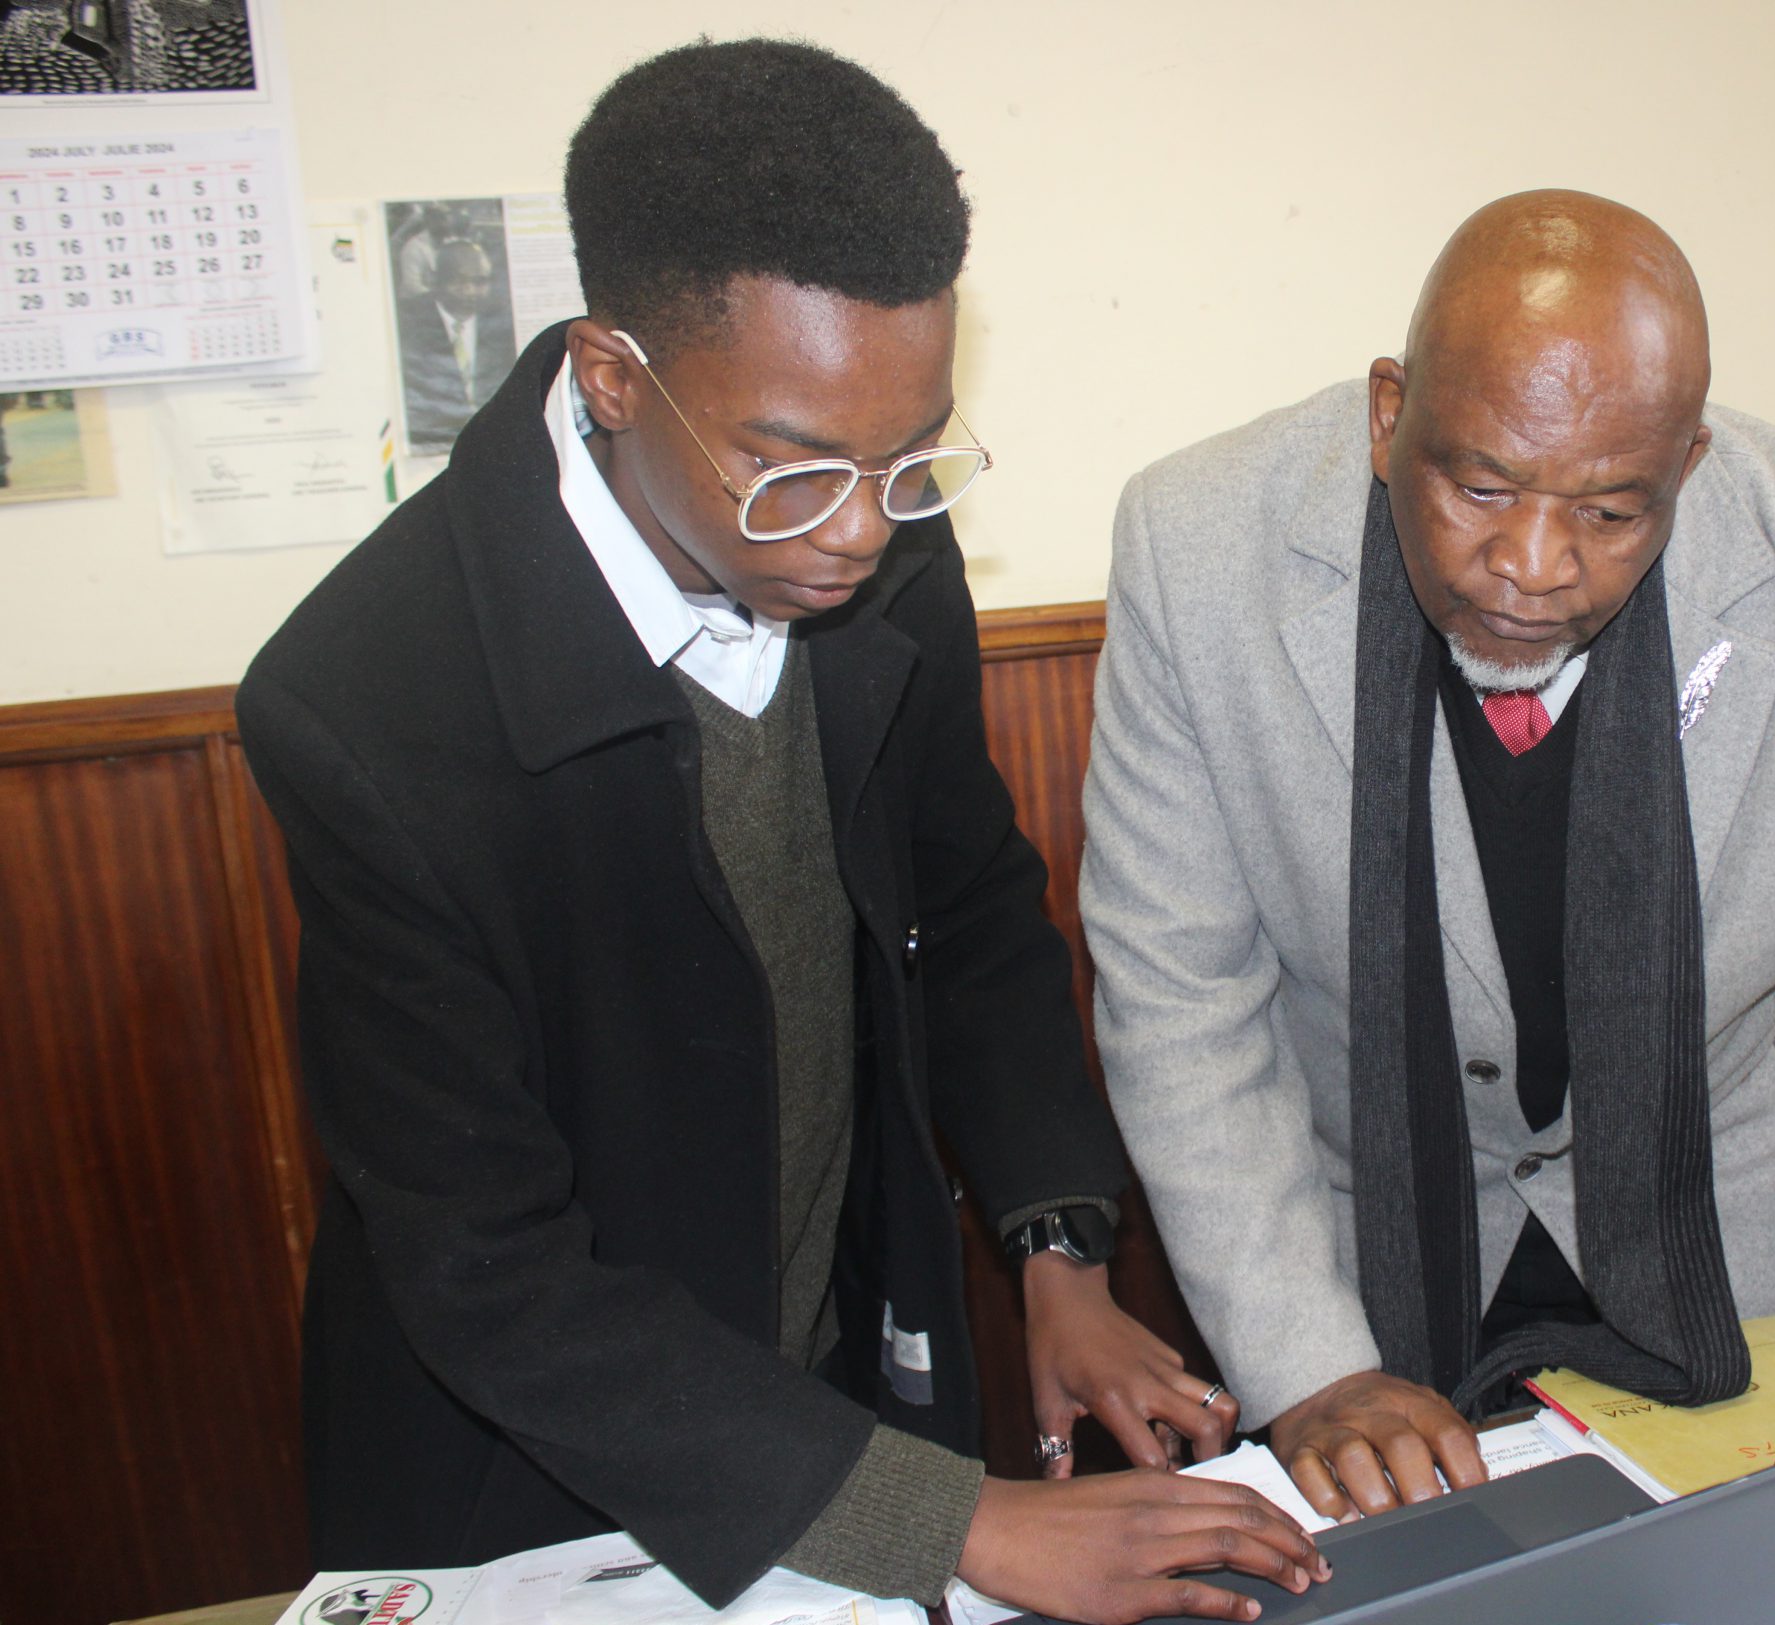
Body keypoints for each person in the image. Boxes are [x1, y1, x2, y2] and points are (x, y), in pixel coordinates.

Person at [239, 39, 1328, 1625]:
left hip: (841, 1371)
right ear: (615, 379)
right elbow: (493, 1273)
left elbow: (963, 909)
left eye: (907, 455)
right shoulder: (366, 707)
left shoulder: (873, 525)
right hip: (532, 1475)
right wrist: (959, 1521)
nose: (858, 529)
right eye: (792, 469)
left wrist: (1056, 1245)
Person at [1080, 190, 1775, 1624]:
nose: (1534, 567)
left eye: (1612, 511)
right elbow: (1181, 1002)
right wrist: (1312, 1365)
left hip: (1734, 1239)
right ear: (1385, 415)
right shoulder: (1198, 546)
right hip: (1358, 1250)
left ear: (1690, 464)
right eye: (1476, 488)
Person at [395, 236, 518, 450]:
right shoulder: (407, 324)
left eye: (479, 282)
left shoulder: (504, 324)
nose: (469, 290)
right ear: (434, 279)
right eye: (458, 280)